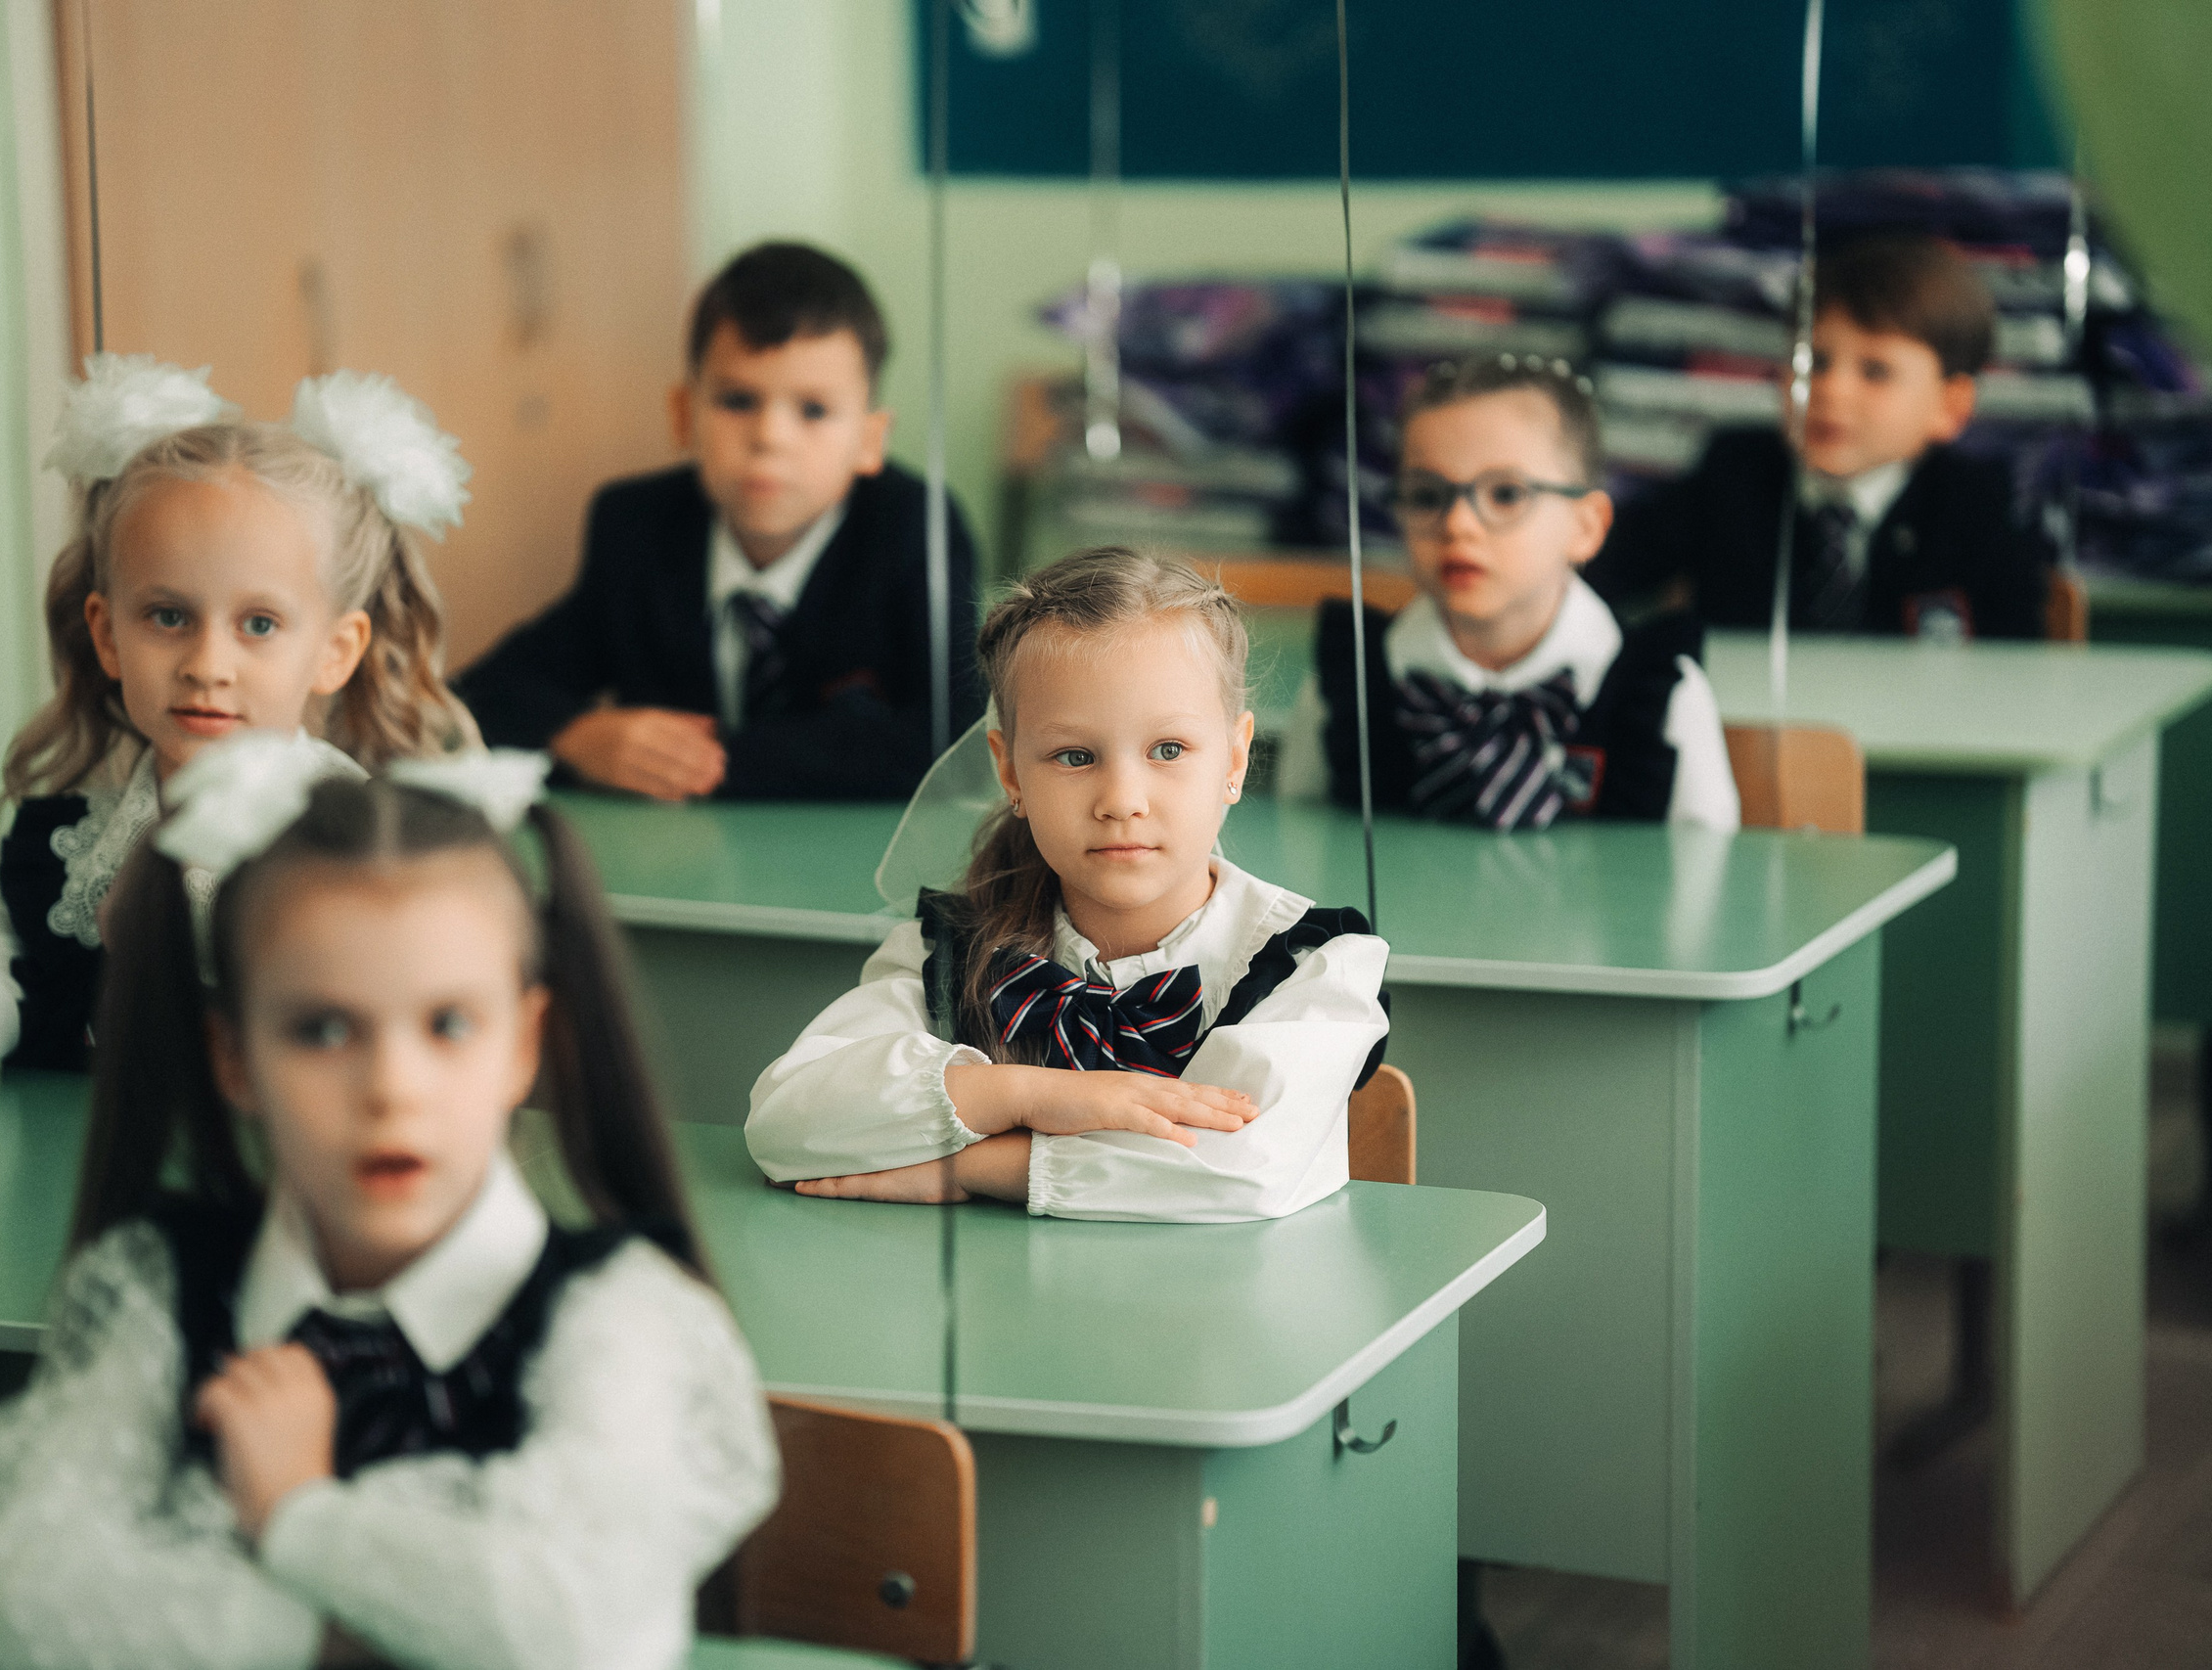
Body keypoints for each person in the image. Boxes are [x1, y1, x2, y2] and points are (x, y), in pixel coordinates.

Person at [0, 738, 777, 1670]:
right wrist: (353, 1635)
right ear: (233, 1057)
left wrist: (298, 1515)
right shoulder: (157, 1288)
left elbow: (569, 1626)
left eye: (449, 1024)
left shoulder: (616, 1313)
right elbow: (24, 1591)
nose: (391, 1088)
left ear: (523, 1044)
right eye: (322, 1029)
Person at [0, 357, 478, 1096]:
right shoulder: (44, 861)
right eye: (168, 616)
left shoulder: (380, 855)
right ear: (108, 633)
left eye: (259, 623)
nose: (206, 664)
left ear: (335, 650)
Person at [745, 548, 1389, 1223]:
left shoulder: (1315, 964)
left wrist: (966, 1167)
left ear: (1234, 757)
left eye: (1168, 749)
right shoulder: (947, 949)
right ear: (1012, 772)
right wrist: (1024, 1094)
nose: (1122, 799)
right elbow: (784, 1121)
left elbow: (1239, 1171)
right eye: (1074, 756)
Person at [454, 242, 980, 800]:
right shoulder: (637, 528)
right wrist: (576, 734)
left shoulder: (912, 526)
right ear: (684, 415)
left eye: (813, 410)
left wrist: (708, 761)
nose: (769, 438)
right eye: (737, 400)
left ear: (870, 440)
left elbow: (954, 741)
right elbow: (482, 693)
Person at [1287, 354, 1740, 831]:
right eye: (1426, 496)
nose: (1458, 524)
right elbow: (1303, 855)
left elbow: (1703, 878)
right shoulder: (1347, 685)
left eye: (1505, 494)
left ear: (1586, 527)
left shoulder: (1664, 693)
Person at [1587, 231, 2051, 640]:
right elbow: (1605, 570)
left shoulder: (1982, 503)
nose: (1828, 391)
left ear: (1949, 408)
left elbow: (2013, 661)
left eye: (1875, 371)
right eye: (1815, 362)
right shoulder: (1734, 472)